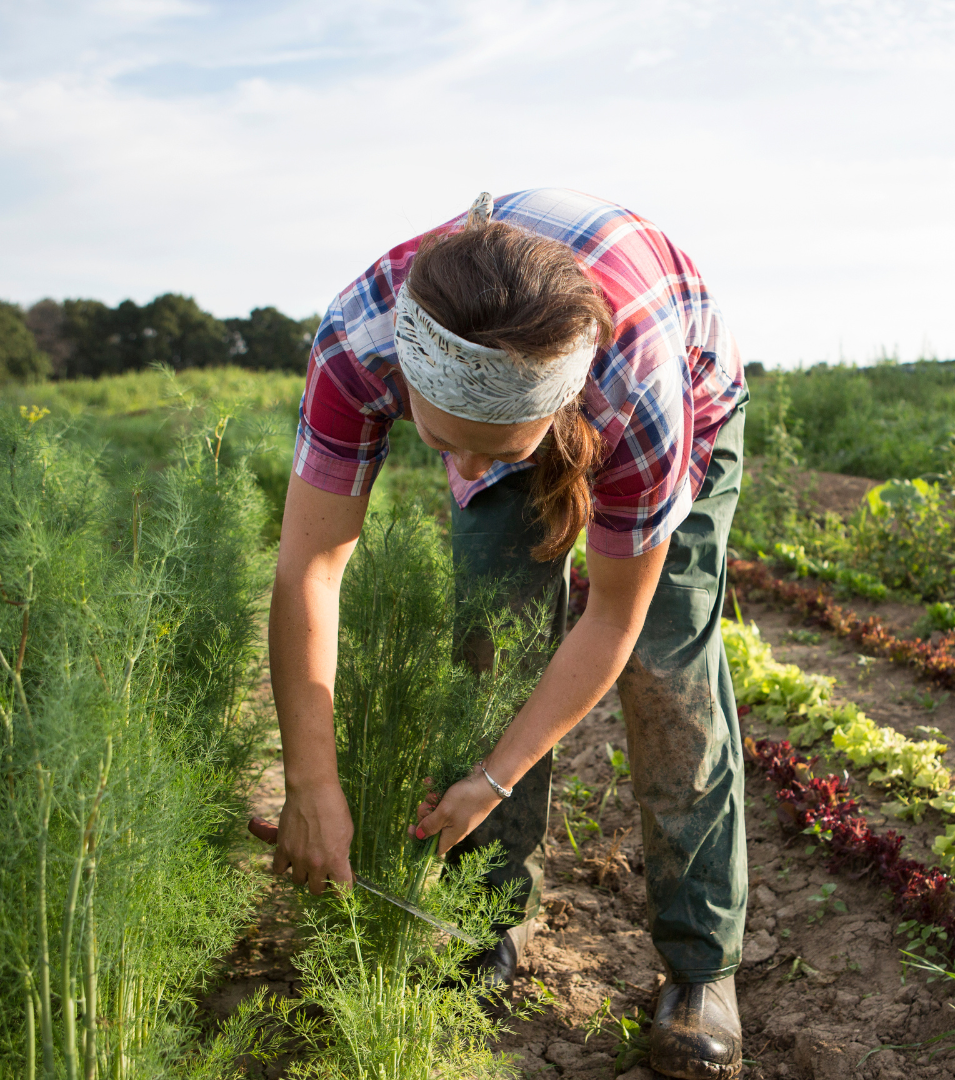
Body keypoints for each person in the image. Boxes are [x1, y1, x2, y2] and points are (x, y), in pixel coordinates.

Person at [269, 188, 748, 1080]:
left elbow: (612, 617)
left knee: (665, 665)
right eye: (444, 443)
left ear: (554, 412)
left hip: (680, 385)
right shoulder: (359, 343)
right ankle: (489, 921)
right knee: (488, 650)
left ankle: (700, 966)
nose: (468, 471)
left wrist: (494, 780)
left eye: (499, 453)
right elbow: (310, 570)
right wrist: (311, 781)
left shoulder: (637, 392)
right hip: (508, 396)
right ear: (410, 377)